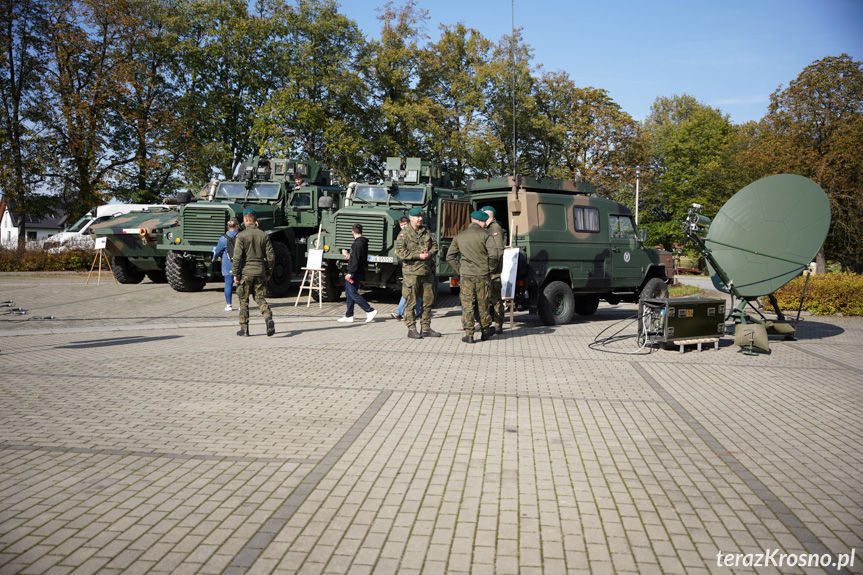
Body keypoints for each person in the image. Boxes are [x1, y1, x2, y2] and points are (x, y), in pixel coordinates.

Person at [446, 210, 499, 343]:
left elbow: (449, 257)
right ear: (480, 221)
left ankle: (469, 334)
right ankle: (486, 332)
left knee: (467, 304)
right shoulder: (486, 235)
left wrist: (460, 269)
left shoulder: (459, 236)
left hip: (466, 276)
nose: (485, 225)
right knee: (483, 304)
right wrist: (490, 269)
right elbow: (494, 255)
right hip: (482, 276)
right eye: (484, 222)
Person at [395, 206, 439, 339]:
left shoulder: (426, 232)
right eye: (417, 217)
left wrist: (429, 253)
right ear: (411, 218)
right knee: (411, 301)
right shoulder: (404, 234)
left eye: (421, 217)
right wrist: (418, 256)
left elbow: (435, 246)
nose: (420, 219)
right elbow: (401, 252)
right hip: (411, 273)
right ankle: (411, 328)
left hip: (425, 272)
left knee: (428, 301)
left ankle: (425, 327)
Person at [232, 209, 276, 337]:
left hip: (246, 272)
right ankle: (268, 318)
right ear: (255, 220)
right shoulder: (264, 235)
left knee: (244, 301)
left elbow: (237, 257)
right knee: (260, 298)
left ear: (246, 220)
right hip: (260, 272)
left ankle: (244, 329)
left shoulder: (241, 236)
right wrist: (269, 272)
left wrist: (235, 274)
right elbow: (271, 256)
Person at [338, 223, 378, 323]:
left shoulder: (357, 244)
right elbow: (357, 257)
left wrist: (350, 272)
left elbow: (355, 259)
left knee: (353, 293)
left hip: (354, 272)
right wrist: (348, 255)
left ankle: (370, 310)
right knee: (349, 293)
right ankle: (349, 315)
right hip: (358, 270)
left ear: (352, 232)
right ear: (361, 231)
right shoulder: (363, 242)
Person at [482, 206, 507, 333]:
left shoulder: (495, 228)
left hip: (494, 270)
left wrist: (491, 268)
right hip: (488, 269)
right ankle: (487, 322)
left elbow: (498, 251)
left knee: (496, 298)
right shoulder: (488, 228)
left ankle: (498, 323)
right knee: (486, 298)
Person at [391, 216, 422, 320]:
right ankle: (419, 312)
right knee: (413, 289)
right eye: (401, 225)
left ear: (409, 223)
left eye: (405, 224)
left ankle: (399, 312)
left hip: (414, 265)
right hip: (406, 266)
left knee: (409, 289)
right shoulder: (401, 235)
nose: (403, 227)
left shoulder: (414, 234)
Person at [212, 220, 239, 311]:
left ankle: (229, 305)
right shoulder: (241, 236)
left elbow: (218, 250)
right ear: (237, 226)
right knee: (241, 285)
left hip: (228, 263)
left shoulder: (223, 238)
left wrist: (214, 258)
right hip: (240, 263)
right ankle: (241, 305)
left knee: (228, 284)